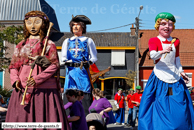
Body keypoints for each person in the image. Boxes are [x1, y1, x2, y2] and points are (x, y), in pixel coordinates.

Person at [5, 11, 70, 130]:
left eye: (37, 22)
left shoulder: (49, 44)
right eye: (29, 23)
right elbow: (14, 66)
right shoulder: (21, 45)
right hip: (23, 87)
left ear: (43, 24)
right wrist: (15, 80)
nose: (33, 26)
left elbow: (54, 66)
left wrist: (37, 79)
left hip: (44, 90)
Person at [138, 12, 194, 130]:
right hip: (159, 77)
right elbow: (153, 55)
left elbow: (177, 59)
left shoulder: (176, 41)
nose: (166, 27)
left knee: (179, 104)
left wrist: (182, 72)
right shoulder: (154, 40)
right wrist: (163, 51)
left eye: (170, 24)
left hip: (174, 78)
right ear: (158, 26)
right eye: (163, 24)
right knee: (158, 103)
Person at [61, 15, 97, 115]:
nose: (75, 27)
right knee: (69, 94)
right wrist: (67, 62)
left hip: (82, 71)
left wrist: (88, 62)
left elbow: (94, 57)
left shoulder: (88, 41)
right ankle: (68, 120)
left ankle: (85, 121)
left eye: (78, 25)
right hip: (71, 71)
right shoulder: (67, 41)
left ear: (83, 27)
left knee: (84, 95)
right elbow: (63, 57)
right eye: (73, 25)